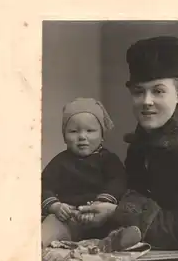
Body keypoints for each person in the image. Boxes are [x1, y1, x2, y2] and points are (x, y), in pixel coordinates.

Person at [78, 36, 178, 261]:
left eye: (158, 91)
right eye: (139, 92)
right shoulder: (140, 146)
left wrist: (116, 212)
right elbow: (132, 197)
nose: (146, 101)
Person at [41, 98, 127, 248]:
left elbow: (118, 182)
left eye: (90, 131)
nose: (82, 136)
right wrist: (55, 206)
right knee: (47, 229)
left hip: (99, 215)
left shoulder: (108, 160)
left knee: (119, 224)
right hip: (68, 217)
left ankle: (112, 241)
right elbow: (43, 185)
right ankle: (41, 243)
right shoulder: (60, 162)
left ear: (102, 135)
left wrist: (102, 202)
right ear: (64, 136)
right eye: (74, 131)